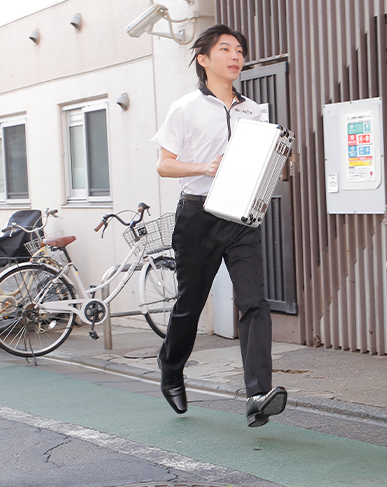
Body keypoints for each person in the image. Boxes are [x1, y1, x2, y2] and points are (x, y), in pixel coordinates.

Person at [151, 24, 287, 428]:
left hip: (242, 215)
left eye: (240, 50)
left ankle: (258, 393)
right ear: (203, 59)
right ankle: (171, 367)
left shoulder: (254, 110)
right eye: (225, 49)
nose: (235, 56)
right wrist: (204, 166)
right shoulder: (185, 107)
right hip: (198, 215)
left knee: (254, 302)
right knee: (190, 306)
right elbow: (164, 164)